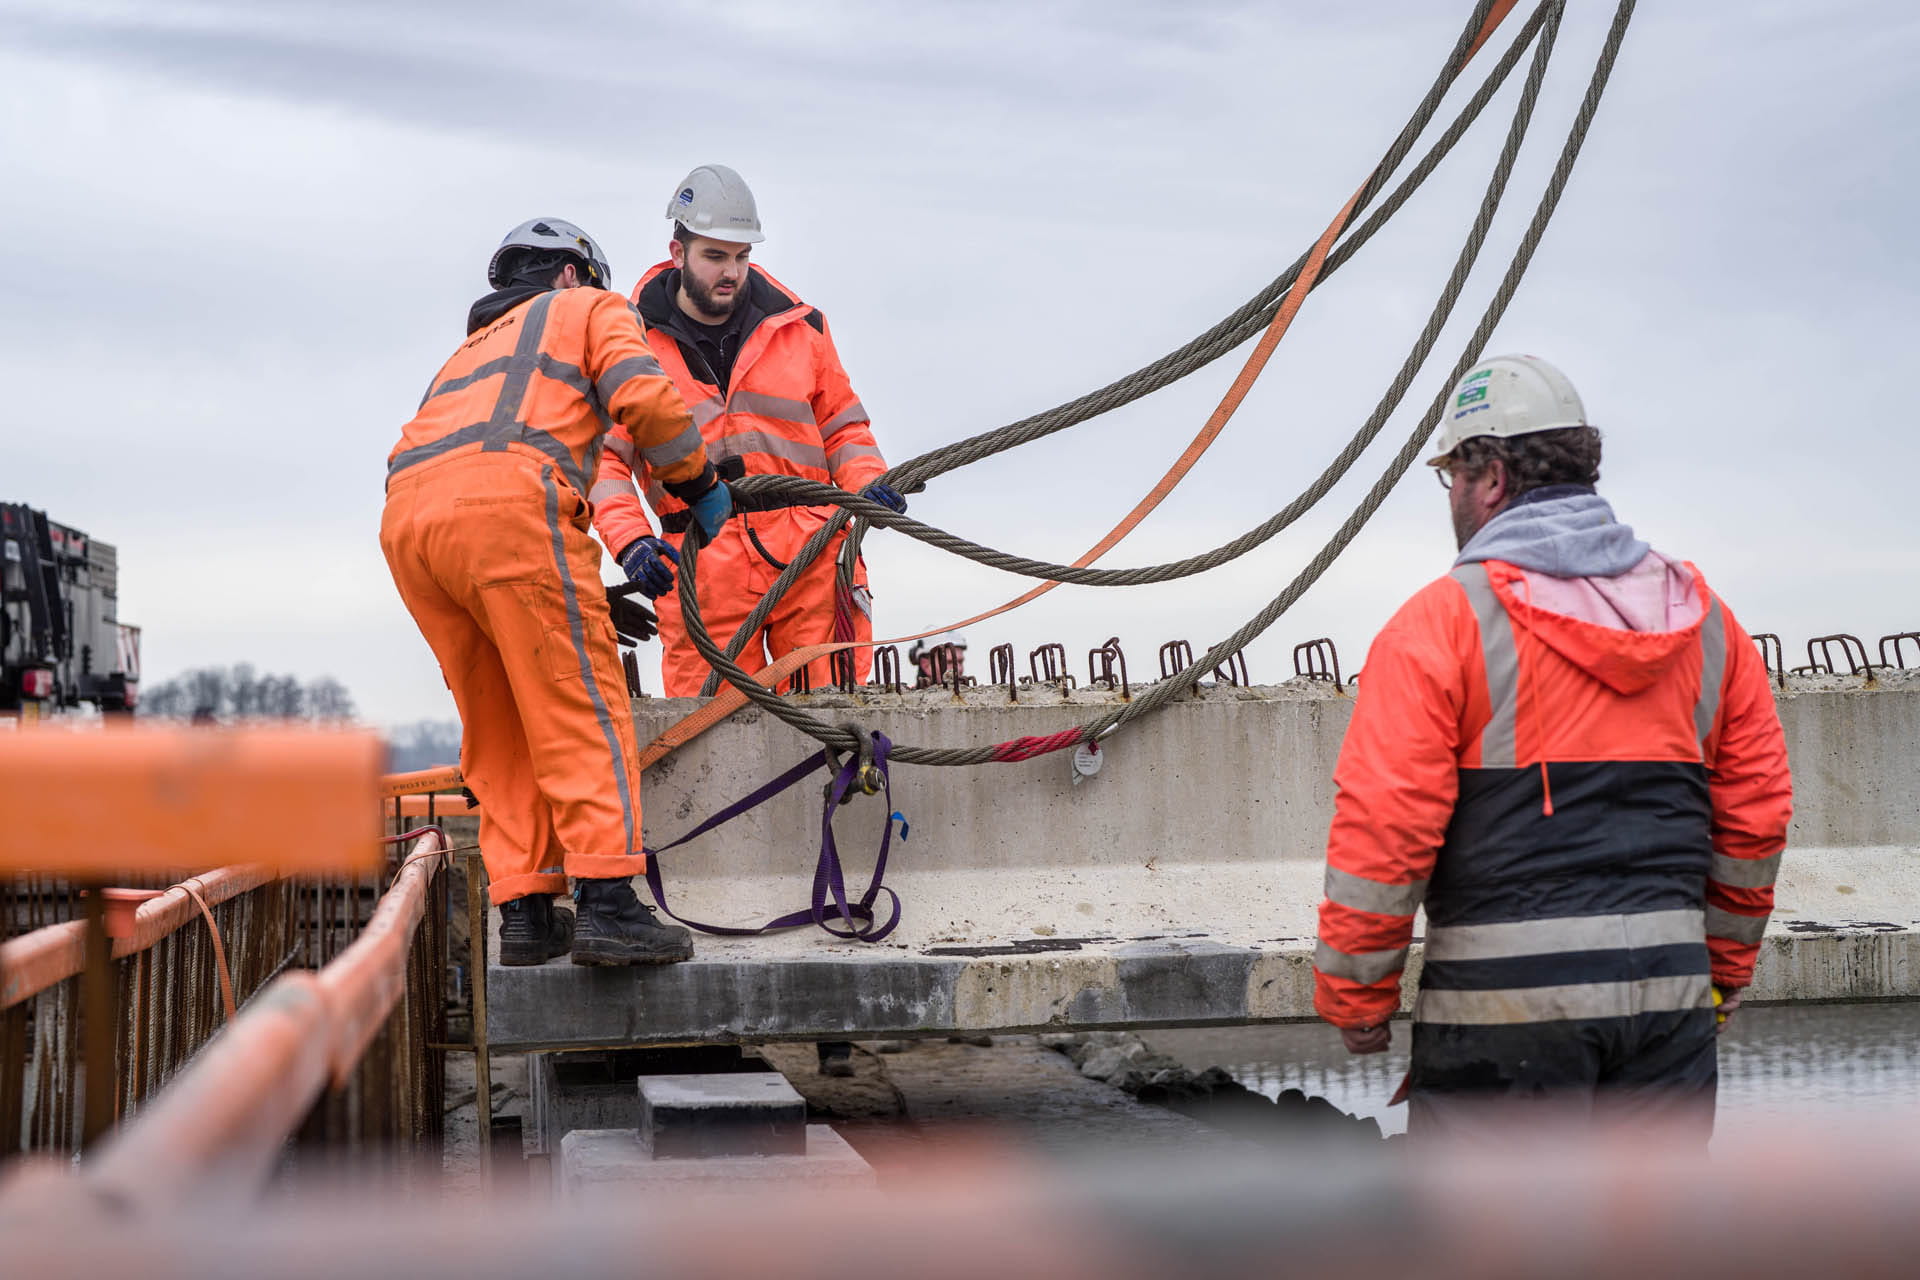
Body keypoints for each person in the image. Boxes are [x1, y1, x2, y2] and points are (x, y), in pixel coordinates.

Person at [1311, 354, 1792, 1139]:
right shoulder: (1707, 623)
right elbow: (1757, 817)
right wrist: (1722, 970)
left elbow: (1387, 825)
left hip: (1502, 1016)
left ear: (1491, 476)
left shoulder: (1440, 624)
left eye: (1453, 479)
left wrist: (1358, 994)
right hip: (1670, 1012)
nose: (1455, 501)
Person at [382, 217, 736, 968]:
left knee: (500, 724)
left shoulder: (465, 354)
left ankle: (527, 913)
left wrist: (575, 585)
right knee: (582, 707)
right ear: (573, 274)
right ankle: (609, 903)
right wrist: (697, 482)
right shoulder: (589, 308)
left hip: (412, 529)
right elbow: (645, 398)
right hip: (511, 514)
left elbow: (472, 472)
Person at [588, 164, 905, 695]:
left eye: (740, 255)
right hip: (700, 565)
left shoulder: (802, 330)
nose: (729, 271)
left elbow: (843, 427)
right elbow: (606, 462)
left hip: (812, 555)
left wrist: (867, 482)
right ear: (677, 253)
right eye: (714, 256)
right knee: (708, 734)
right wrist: (632, 543)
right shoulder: (628, 345)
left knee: (832, 718)